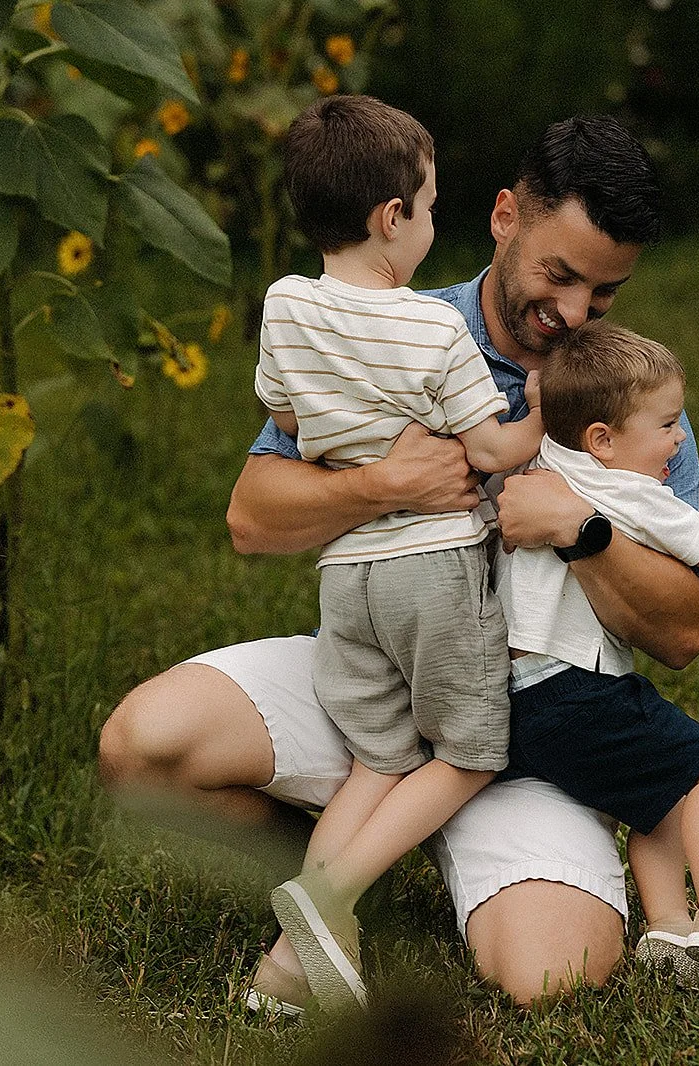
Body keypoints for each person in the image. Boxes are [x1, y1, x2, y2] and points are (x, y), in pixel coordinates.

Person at [99, 114, 699, 1009]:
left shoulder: (620, 399)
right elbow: (250, 517)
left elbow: (685, 631)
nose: (576, 313)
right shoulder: (385, 330)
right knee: (141, 747)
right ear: (505, 216)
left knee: (553, 976)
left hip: (532, 738)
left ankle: (371, 861)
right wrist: (385, 483)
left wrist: (583, 529)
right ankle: (348, 875)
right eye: (561, 274)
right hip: (382, 692)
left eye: (605, 292)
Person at [253, 95, 545, 1012]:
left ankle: (289, 970)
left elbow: (291, 420)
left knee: (376, 761)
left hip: (346, 578)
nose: (431, 223)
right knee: (470, 752)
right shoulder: (432, 327)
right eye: (428, 206)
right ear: (393, 219)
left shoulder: (286, 305)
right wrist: (537, 409)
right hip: (432, 570)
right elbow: (492, 451)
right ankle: (324, 896)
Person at [497, 320, 699, 982]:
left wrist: (540, 400)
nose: (680, 439)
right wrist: (696, 493)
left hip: (518, 696)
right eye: (670, 425)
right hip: (578, 689)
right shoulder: (634, 491)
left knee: (655, 796)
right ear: (604, 440)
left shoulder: (547, 464)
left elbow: (544, 411)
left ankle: (670, 928)